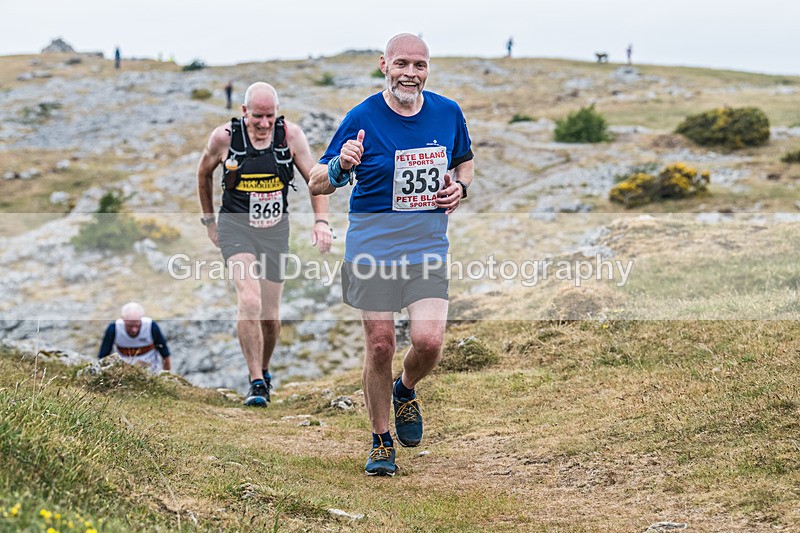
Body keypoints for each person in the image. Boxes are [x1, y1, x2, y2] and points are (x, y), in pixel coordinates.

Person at [309, 33, 474, 476]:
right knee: (380, 345)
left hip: (426, 247)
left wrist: (461, 187)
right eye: (401, 64)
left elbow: (465, 160)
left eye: (419, 65)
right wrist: (342, 165)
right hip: (372, 248)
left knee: (429, 341)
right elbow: (316, 181)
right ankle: (381, 441)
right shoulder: (361, 117)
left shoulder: (447, 112)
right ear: (384, 65)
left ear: (428, 69)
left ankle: (406, 388)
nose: (410, 74)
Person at [197, 82, 332, 407]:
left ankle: (265, 370)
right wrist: (209, 221)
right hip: (236, 228)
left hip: (274, 232)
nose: (264, 123)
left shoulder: (291, 137)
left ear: (277, 112)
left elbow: (315, 181)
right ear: (244, 111)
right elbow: (203, 174)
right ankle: (255, 380)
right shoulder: (224, 138)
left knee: (271, 317)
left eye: (270, 116)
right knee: (249, 299)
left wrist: (321, 222)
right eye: (257, 116)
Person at [98, 302, 171, 373]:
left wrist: (166, 373)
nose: (134, 330)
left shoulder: (151, 327)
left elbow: (165, 352)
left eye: (137, 325)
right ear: (123, 320)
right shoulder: (114, 329)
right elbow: (103, 356)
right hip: (124, 372)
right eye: (130, 326)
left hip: (151, 370)